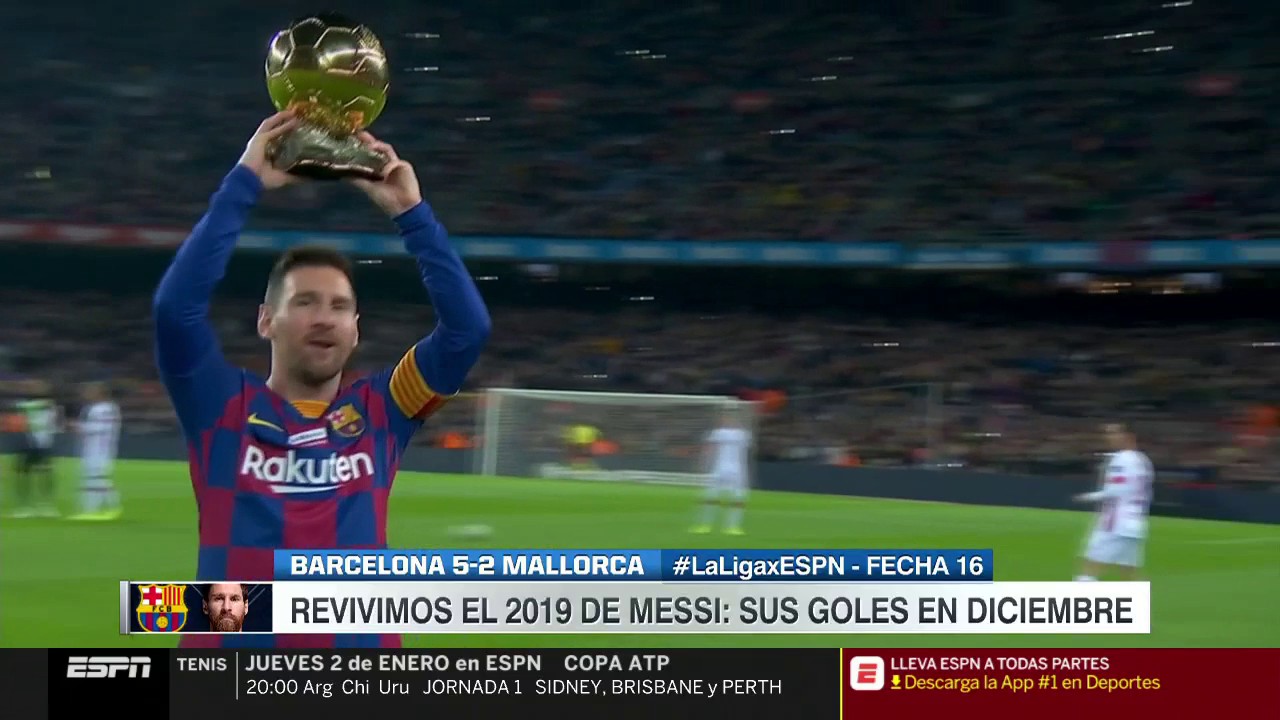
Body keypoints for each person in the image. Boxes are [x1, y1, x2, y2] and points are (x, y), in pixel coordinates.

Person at [152, 111, 490, 648]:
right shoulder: (220, 406)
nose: (324, 318)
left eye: (339, 307)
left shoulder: (384, 409)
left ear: (356, 330)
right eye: (305, 302)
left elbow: (467, 330)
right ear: (266, 320)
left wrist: (411, 213)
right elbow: (175, 311)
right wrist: (245, 182)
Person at [1074, 423, 1153, 581]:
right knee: (1130, 573)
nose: (1109, 437)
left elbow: (1116, 491)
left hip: (1115, 523)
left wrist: (1089, 497)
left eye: (1114, 433)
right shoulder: (1143, 460)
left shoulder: (1121, 459)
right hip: (1135, 522)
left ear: (1129, 436)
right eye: (1108, 433)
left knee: (1090, 567)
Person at [692, 409, 753, 535]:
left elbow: (745, 450)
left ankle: (733, 526)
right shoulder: (717, 433)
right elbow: (709, 449)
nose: (726, 420)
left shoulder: (743, 434)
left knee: (738, 498)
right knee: (711, 496)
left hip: (738, 470)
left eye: (729, 418)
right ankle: (705, 525)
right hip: (719, 469)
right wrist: (704, 462)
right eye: (724, 418)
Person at [9, 380, 61, 518]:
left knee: (45, 474)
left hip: (43, 443)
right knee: (23, 474)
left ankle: (46, 505)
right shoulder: (32, 405)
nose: (33, 388)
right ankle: (25, 507)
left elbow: (26, 407)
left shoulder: (47, 405)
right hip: (28, 442)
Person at [70, 381, 123, 520]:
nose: (86, 394)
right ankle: (98, 509)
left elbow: (102, 428)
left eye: (90, 391)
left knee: (96, 479)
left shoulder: (104, 409)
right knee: (95, 479)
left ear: (99, 393)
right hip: (93, 448)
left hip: (100, 449)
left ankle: (102, 509)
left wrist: (80, 427)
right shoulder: (100, 408)